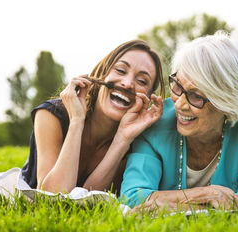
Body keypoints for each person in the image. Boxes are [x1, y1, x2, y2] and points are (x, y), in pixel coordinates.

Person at [120, 32, 238, 211]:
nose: (179, 104)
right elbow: (133, 196)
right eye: (177, 86)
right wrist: (205, 195)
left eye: (195, 96)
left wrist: (169, 202)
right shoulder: (156, 122)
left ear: (227, 102)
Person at [21, 40, 164, 194]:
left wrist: (122, 139)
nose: (127, 83)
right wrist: (76, 121)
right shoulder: (51, 114)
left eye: (142, 81)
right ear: (102, 74)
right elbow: (52, 195)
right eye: (121, 71)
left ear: (148, 98)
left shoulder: (136, 145)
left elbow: (89, 199)